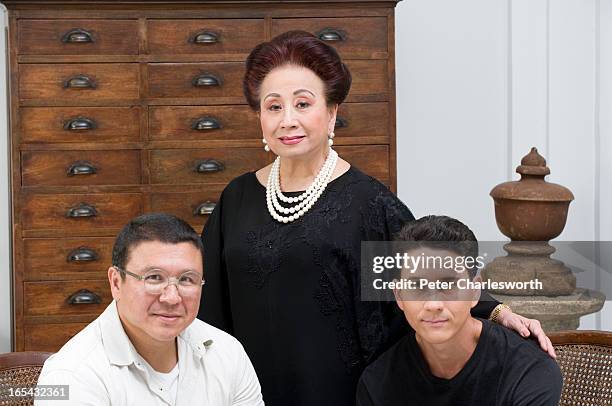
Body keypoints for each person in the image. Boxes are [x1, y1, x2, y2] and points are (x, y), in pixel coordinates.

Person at [198, 30, 554, 406]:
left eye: (303, 104)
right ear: (260, 117)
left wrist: (496, 310)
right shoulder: (236, 197)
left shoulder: (369, 204)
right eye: (273, 107)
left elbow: (427, 271)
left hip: (344, 396)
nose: (288, 120)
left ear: (332, 112)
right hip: (248, 393)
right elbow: (208, 305)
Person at [36, 213, 263, 406]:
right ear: (116, 282)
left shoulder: (227, 352)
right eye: (154, 278)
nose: (172, 298)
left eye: (187, 279)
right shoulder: (70, 376)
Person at [356, 216, 563, 406]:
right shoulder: (377, 383)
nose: (433, 304)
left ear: (474, 291)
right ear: (399, 296)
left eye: (447, 285)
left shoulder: (528, 371)